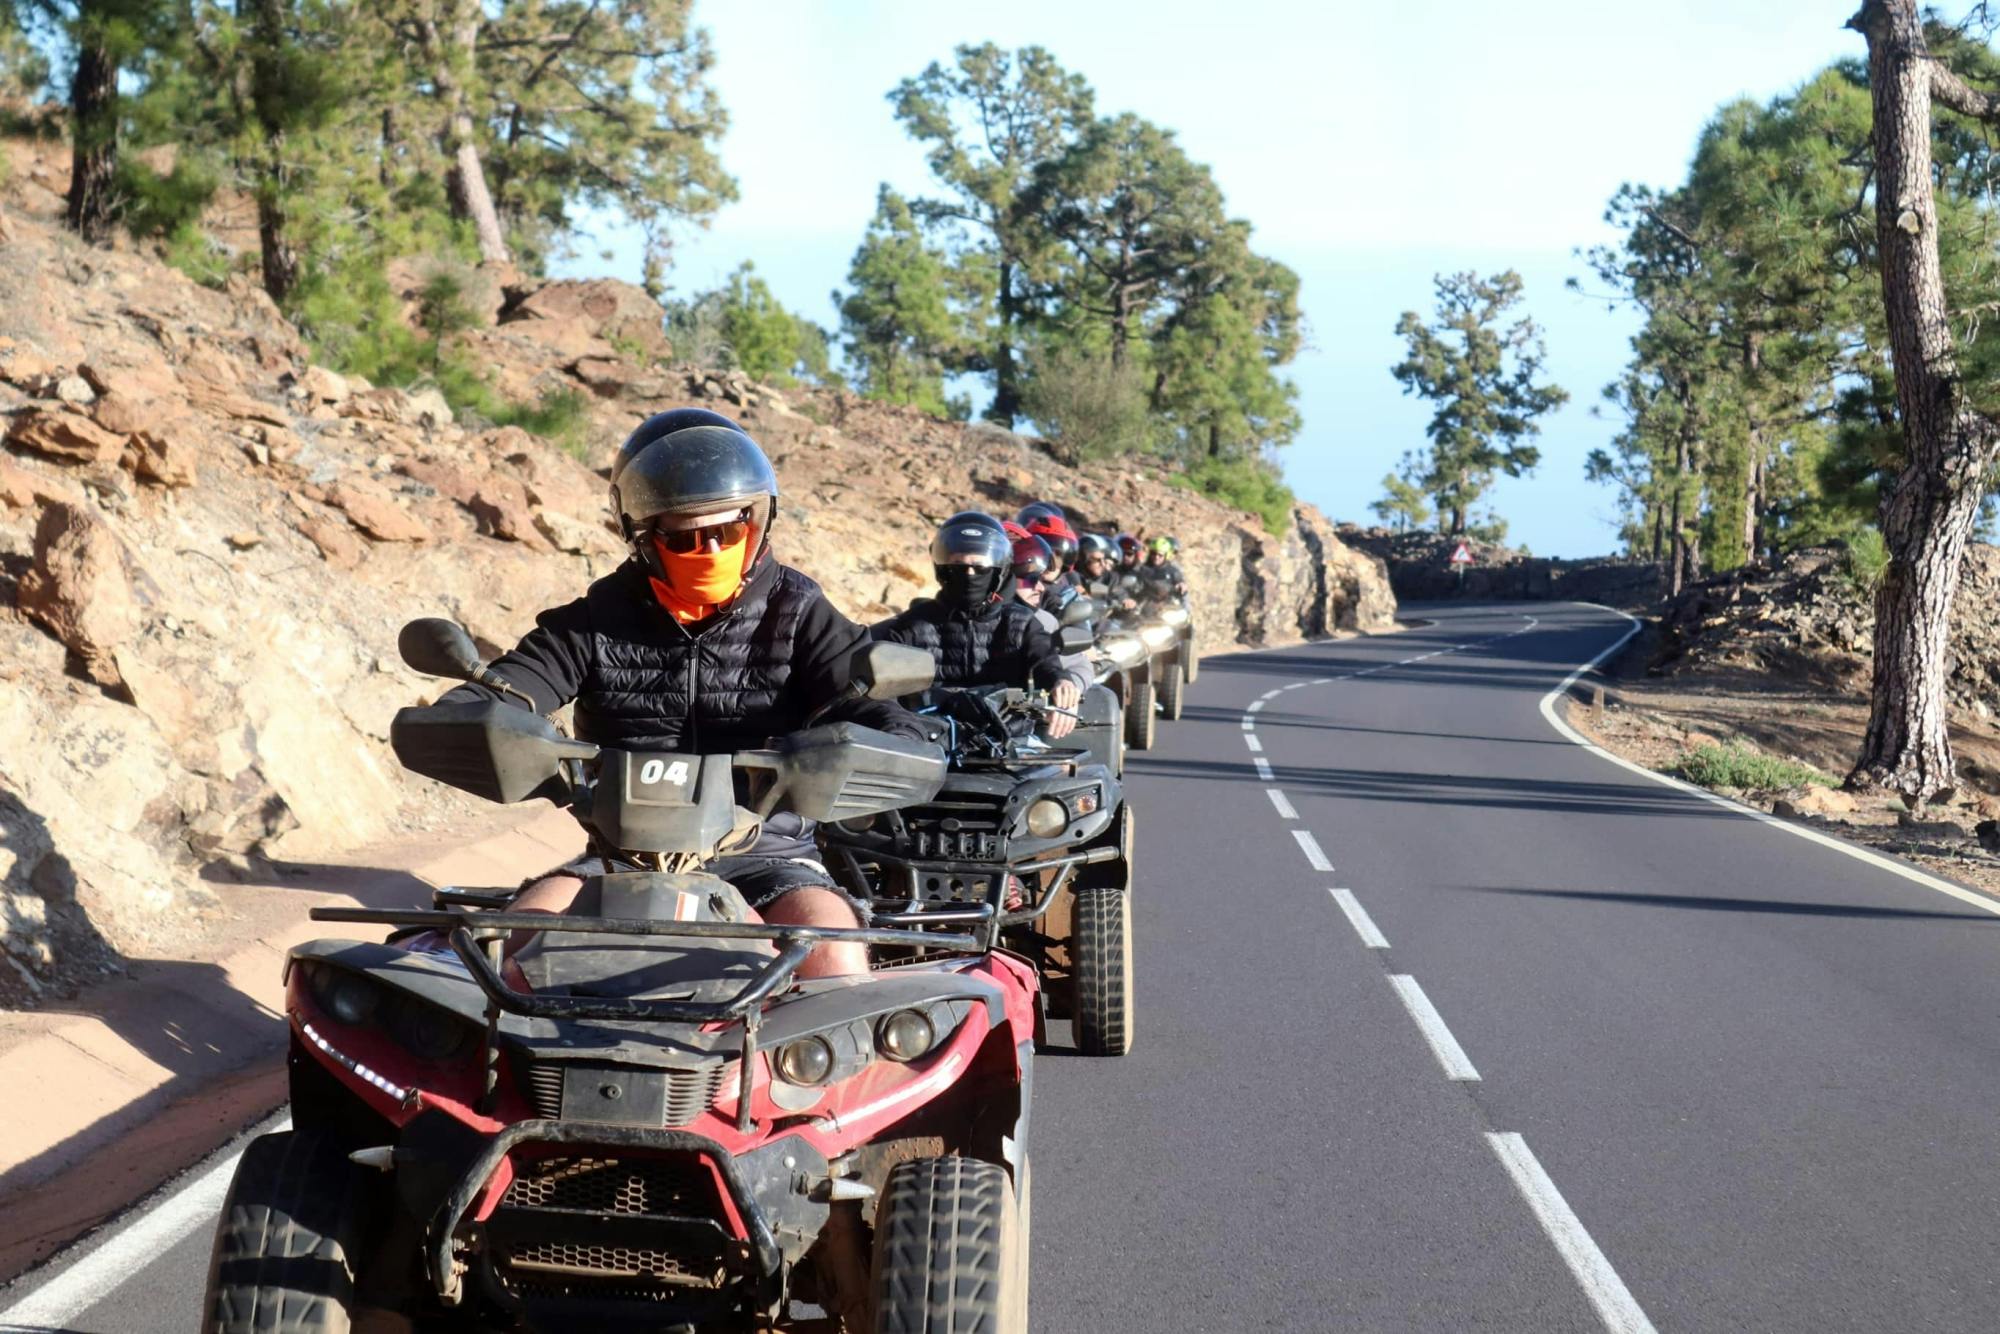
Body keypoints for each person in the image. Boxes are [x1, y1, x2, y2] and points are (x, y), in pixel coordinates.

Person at [441, 408, 937, 977]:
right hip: (621, 859)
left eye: (725, 532)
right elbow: (513, 688)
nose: (708, 551)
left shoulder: (801, 614)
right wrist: (478, 720)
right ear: (643, 537)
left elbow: (878, 708)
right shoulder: (594, 620)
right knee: (509, 949)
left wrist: (887, 741)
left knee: (833, 952)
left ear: (756, 523)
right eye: (683, 536)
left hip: (768, 857)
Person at [872, 513, 1083, 738]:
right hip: (927, 738)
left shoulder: (1021, 622)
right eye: (958, 565)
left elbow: (1044, 660)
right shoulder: (912, 625)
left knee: (1063, 770)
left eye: (980, 566)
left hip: (1009, 740)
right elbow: (879, 681)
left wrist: (1061, 683)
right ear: (942, 568)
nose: (970, 573)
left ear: (998, 569)